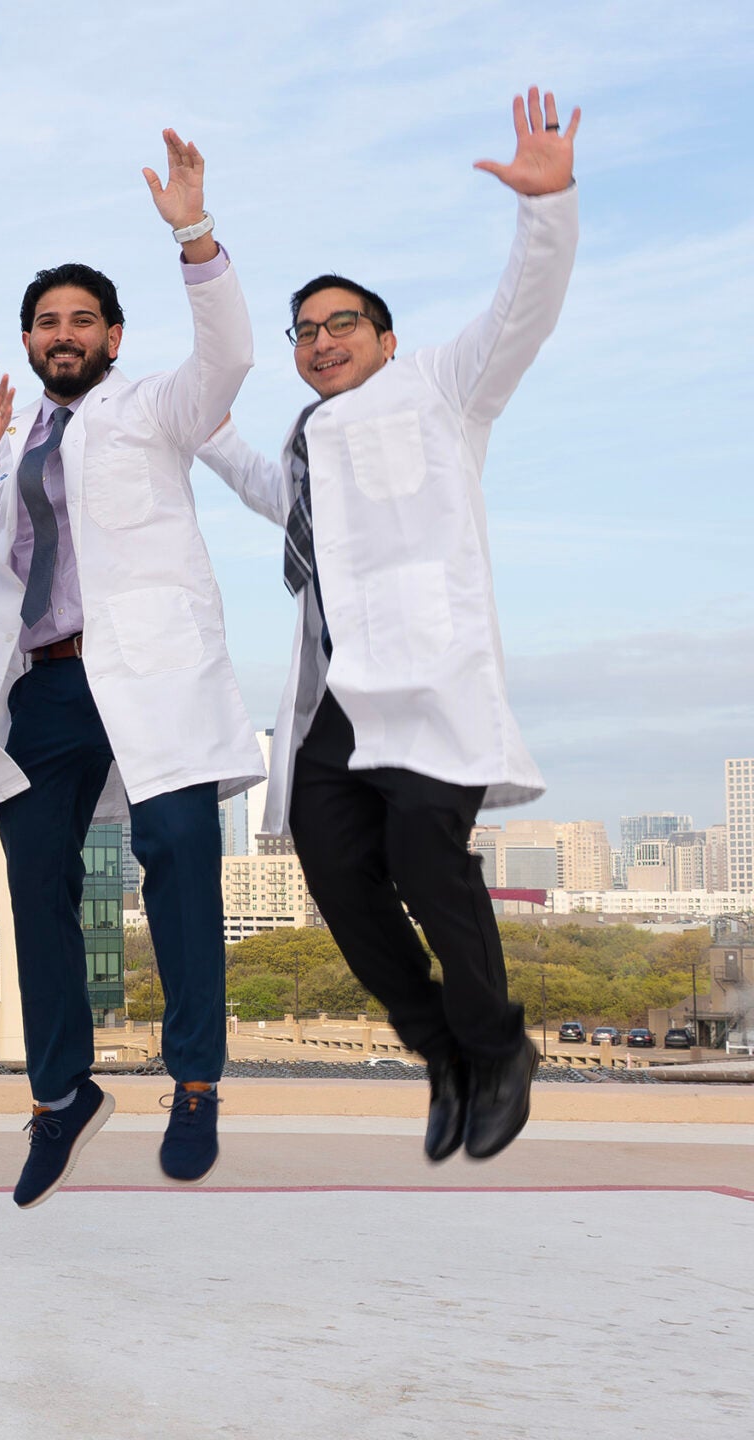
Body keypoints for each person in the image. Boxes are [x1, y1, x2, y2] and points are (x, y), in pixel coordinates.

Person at [198, 89, 581, 1165]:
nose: (322, 343)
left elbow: (521, 310)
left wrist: (545, 208)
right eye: (306, 332)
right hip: (335, 700)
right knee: (337, 880)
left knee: (425, 859)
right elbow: (267, 491)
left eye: (342, 326)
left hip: (428, 683)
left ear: (386, 338)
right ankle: (441, 1052)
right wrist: (203, 427)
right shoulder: (306, 444)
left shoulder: (442, 390)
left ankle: (498, 1049)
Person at [0, 131, 262, 1207]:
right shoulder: (17, 435)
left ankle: (195, 1082)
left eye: (82, 320)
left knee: (179, 858)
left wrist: (194, 234)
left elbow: (229, 357)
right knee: (37, 883)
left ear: (113, 338)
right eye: (46, 322)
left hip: (152, 677)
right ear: (29, 341)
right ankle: (61, 1094)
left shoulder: (157, 406)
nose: (63, 334)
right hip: (43, 684)